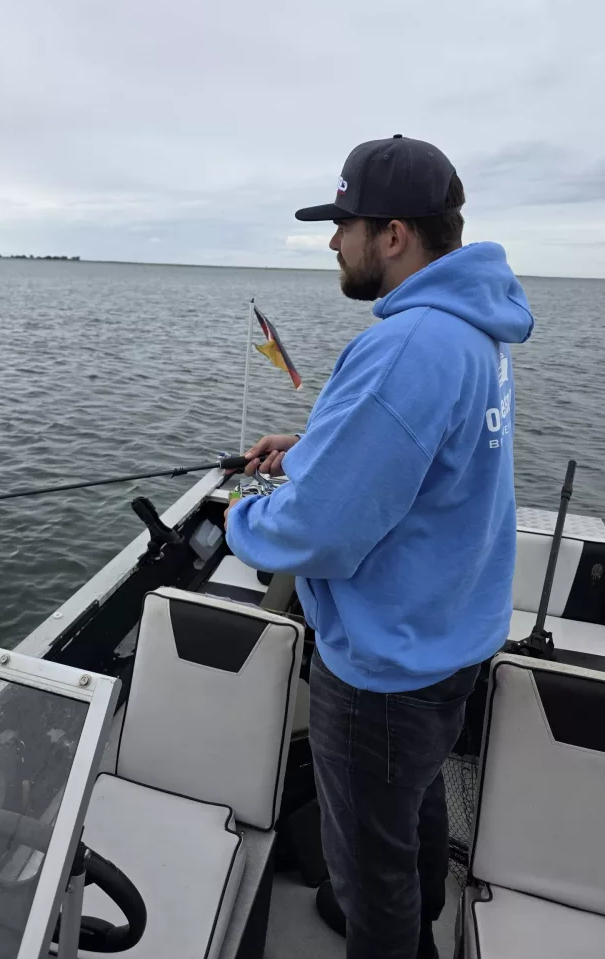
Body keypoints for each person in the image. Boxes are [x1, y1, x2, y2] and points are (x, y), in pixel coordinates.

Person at [225, 135, 534, 959]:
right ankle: (428, 901)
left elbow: (313, 532)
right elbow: (422, 453)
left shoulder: (405, 345)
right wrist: (318, 446)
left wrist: (239, 513)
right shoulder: (473, 329)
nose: (333, 241)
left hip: (382, 674)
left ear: (393, 234)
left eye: (344, 224)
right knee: (414, 799)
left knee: (369, 874)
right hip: (449, 641)